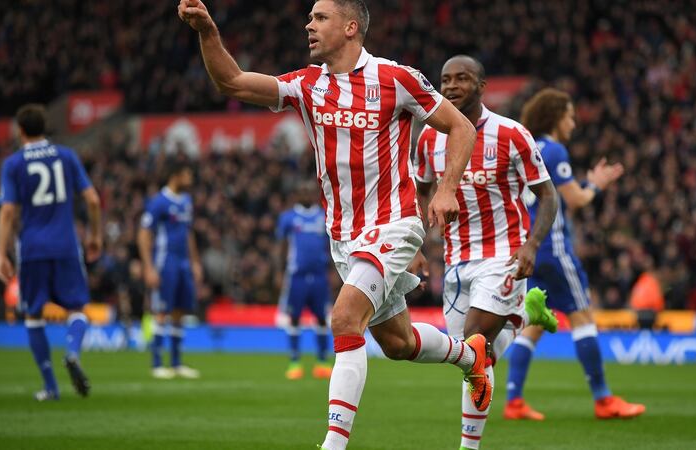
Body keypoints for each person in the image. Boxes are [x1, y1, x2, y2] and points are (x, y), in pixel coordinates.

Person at [179, 1, 495, 448]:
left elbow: (461, 127)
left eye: (319, 17)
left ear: (350, 28)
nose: (309, 25)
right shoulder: (307, 85)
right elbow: (231, 81)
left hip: (394, 223)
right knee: (398, 343)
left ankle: (333, 443)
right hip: (344, 237)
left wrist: (445, 189)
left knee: (345, 318)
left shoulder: (394, 78)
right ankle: (470, 355)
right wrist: (209, 32)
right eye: (310, 17)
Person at [415, 56, 559, 450]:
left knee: (476, 344)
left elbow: (548, 196)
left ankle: (467, 448)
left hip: (505, 254)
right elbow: (421, 191)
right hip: (457, 260)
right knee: (476, 358)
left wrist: (531, 245)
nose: (452, 86)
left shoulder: (512, 134)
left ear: (482, 85)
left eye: (462, 78)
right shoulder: (430, 138)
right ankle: (527, 312)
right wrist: (414, 245)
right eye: (445, 79)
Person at [504, 88, 645, 420]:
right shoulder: (554, 150)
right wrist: (595, 184)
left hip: (528, 248)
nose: (574, 123)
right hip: (553, 247)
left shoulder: (525, 148)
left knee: (533, 326)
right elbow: (576, 199)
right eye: (569, 116)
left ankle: (514, 400)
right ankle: (603, 399)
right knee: (583, 317)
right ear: (555, 117)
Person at [0, 104, 102, 401]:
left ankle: (51, 387)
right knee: (77, 309)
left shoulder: (14, 163)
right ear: (45, 127)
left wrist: (0, 254)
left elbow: (6, 213)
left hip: (32, 249)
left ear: (20, 130)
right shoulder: (66, 156)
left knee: (33, 315)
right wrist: (95, 235)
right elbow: (93, 200)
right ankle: (72, 353)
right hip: (67, 245)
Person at [138, 160, 202, 379]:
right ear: (175, 175)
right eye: (187, 174)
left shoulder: (186, 201)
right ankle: (157, 364)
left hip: (183, 263)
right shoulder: (159, 202)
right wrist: (148, 267)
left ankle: (176, 363)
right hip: (165, 262)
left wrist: (194, 262)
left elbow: (188, 233)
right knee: (162, 312)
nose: (190, 179)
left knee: (180, 312)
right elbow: (144, 234)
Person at [275, 181, 333, 380]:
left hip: (319, 276)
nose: (307, 195)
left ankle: (322, 362)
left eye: (310, 191)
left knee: (322, 318)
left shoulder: (324, 216)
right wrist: (278, 272)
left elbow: (330, 247)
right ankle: (294, 362)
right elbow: (282, 247)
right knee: (294, 318)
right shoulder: (288, 218)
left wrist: (333, 272)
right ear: (296, 195)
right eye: (303, 192)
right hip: (296, 276)